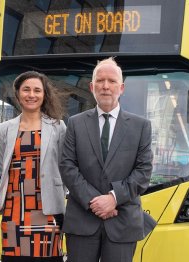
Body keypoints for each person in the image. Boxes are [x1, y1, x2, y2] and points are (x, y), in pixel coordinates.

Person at [59, 57, 155, 262]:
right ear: (91, 87)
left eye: (111, 81)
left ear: (121, 88)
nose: (105, 86)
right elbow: (67, 166)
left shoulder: (141, 126)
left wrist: (113, 198)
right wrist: (95, 202)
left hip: (123, 222)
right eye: (100, 81)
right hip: (82, 221)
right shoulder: (75, 123)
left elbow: (143, 172)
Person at [0, 71, 66, 262]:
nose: (31, 94)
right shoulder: (5, 129)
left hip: (47, 209)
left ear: (44, 95)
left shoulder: (58, 127)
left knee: (48, 257)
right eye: (26, 90)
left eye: (37, 90)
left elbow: (64, 166)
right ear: (18, 95)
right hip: (15, 209)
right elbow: (3, 165)